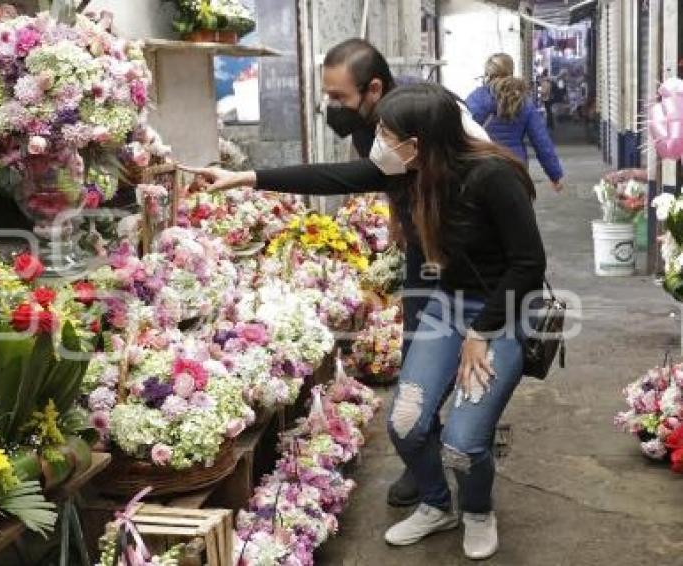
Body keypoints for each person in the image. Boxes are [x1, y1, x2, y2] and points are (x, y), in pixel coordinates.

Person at [183, 83, 546, 560]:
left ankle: (477, 510)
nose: (378, 143)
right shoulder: (408, 173)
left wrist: (480, 334)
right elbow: (330, 176)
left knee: (462, 442)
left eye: (387, 134)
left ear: (418, 143)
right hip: (446, 307)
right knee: (406, 422)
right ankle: (439, 505)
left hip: (500, 314)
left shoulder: (493, 176)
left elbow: (528, 264)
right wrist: (243, 177)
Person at [320, 38, 490, 509]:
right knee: (418, 343)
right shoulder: (363, 124)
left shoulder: (436, 112)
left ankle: (467, 443)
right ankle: (424, 455)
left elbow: (488, 172)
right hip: (422, 247)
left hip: (464, 251)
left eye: (338, 97)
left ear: (373, 88)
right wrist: (400, 220)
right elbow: (385, 178)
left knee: (471, 347)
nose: (330, 106)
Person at [466, 53, 564, 193]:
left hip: (483, 164)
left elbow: (464, 131)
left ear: (488, 73)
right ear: (511, 71)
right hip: (516, 166)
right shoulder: (524, 101)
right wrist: (555, 175)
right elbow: (541, 141)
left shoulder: (476, 98)